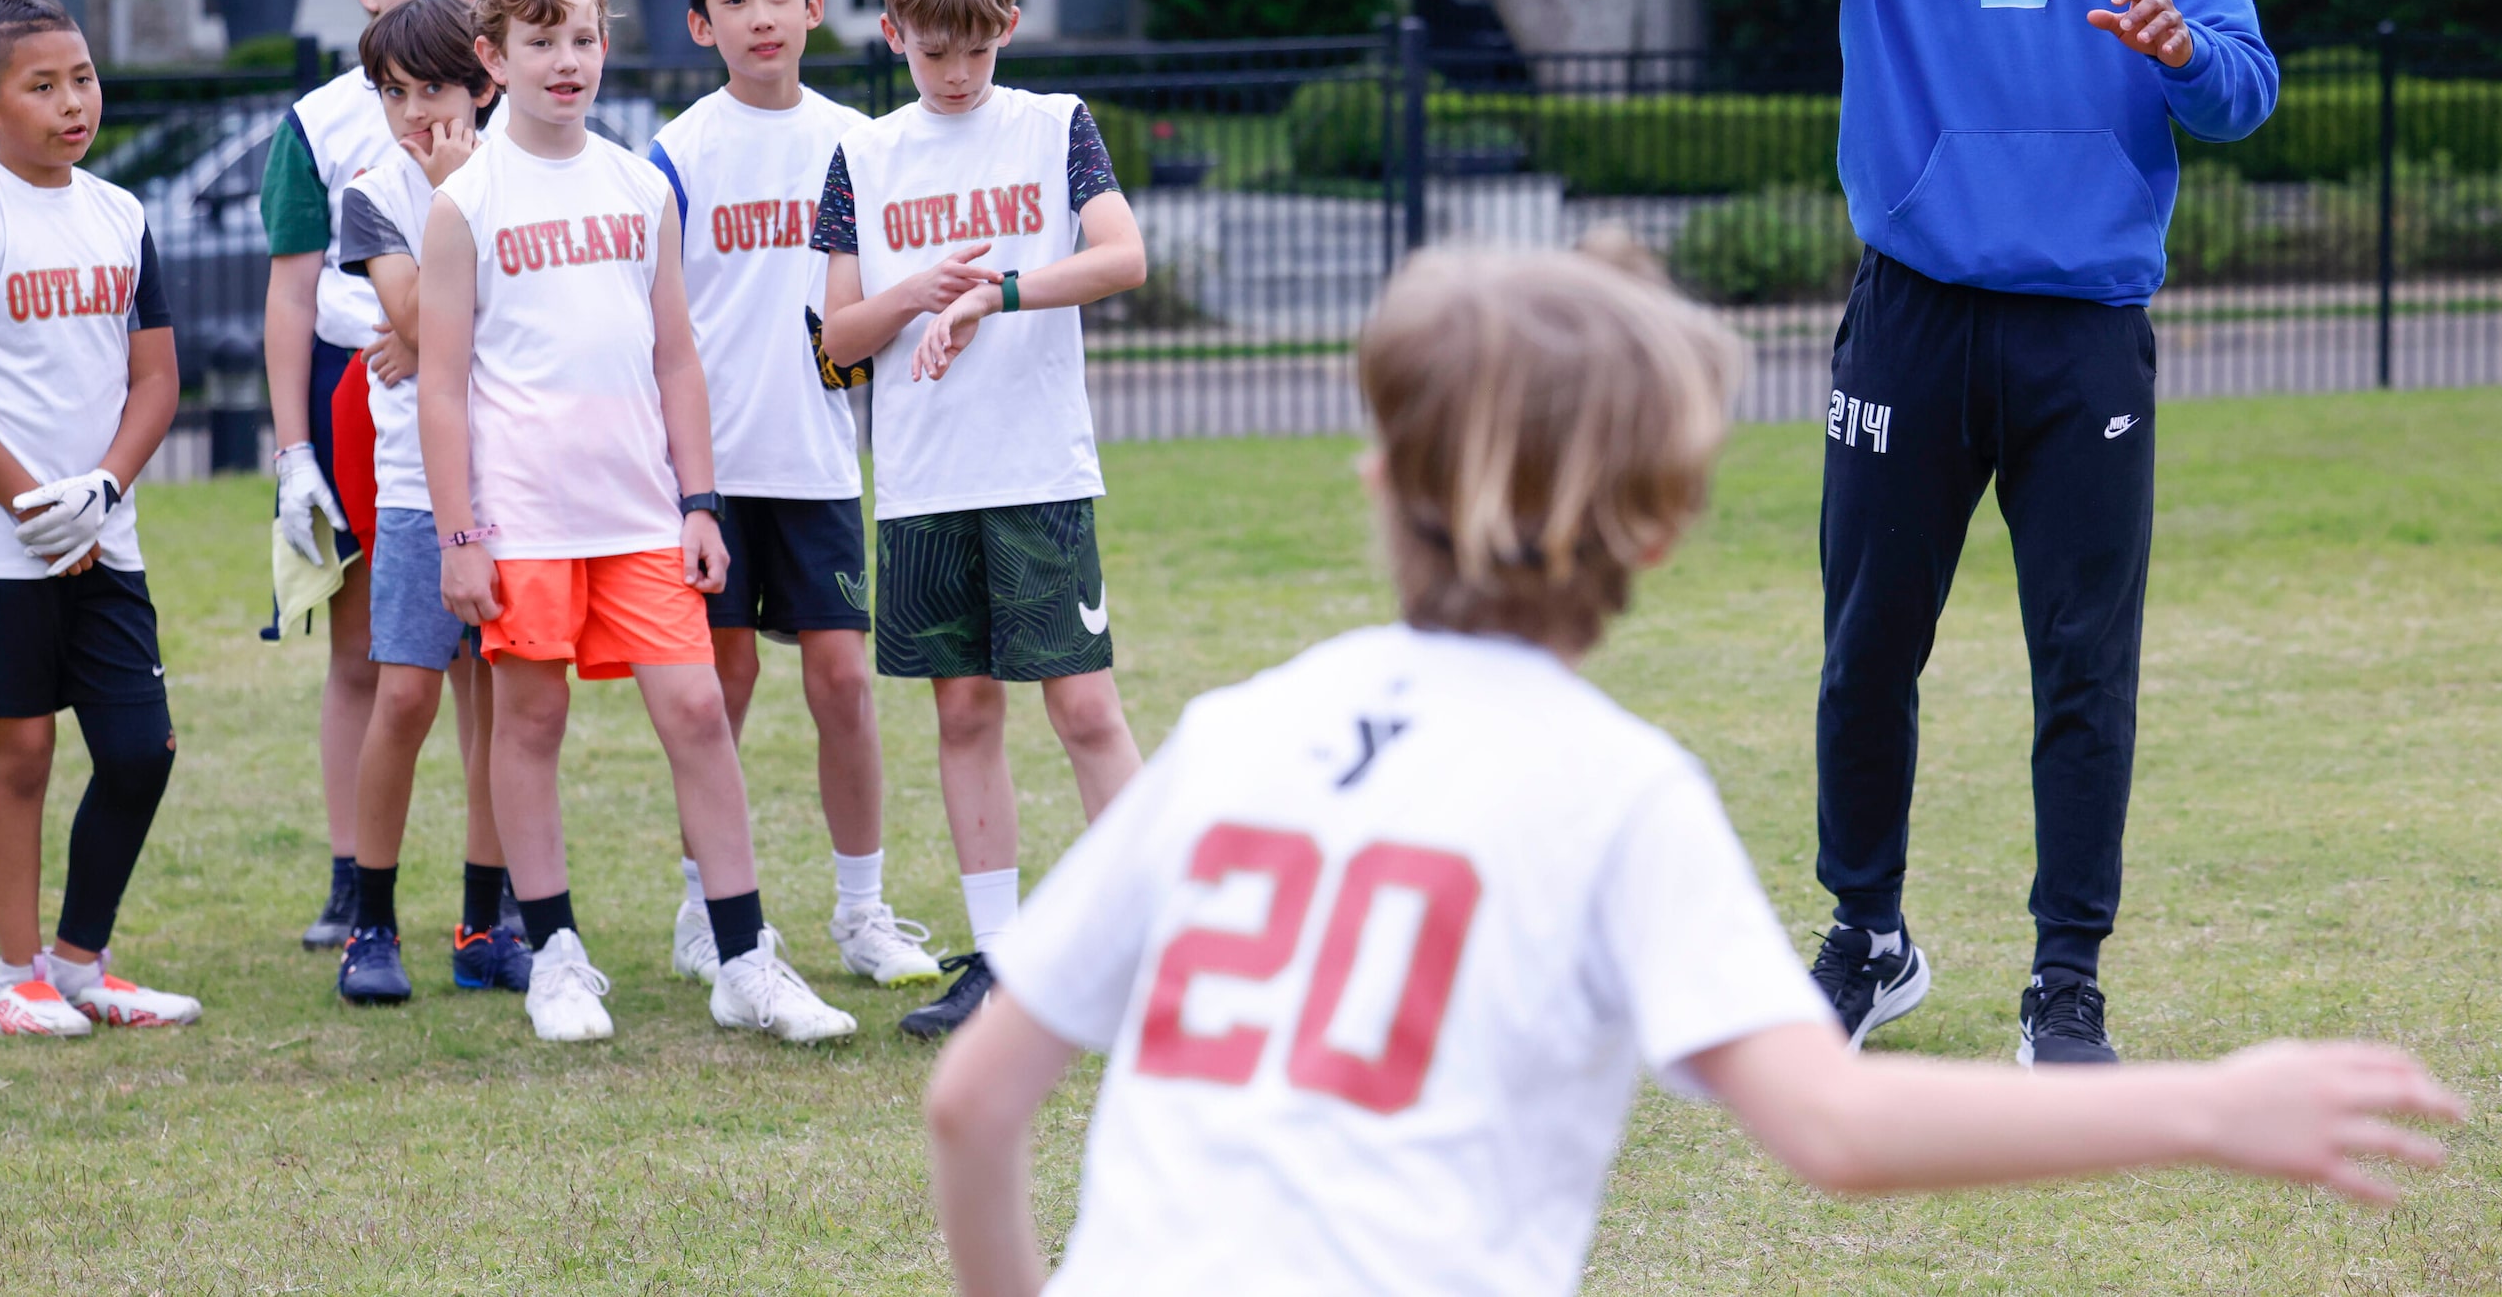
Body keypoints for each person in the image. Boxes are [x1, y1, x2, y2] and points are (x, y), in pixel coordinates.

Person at [924, 243, 2462, 1297]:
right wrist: (2204, 1107)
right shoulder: (1612, 791)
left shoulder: (1235, 733)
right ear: (1660, 529)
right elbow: (1836, 1127)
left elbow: (973, 1103)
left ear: (1380, 478)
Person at [1564, 0, 2279, 1062]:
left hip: (2081, 335)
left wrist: (2185, 54)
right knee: (1866, 645)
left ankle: (2064, 977)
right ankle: (1867, 933)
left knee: (2084, 661)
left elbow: (2244, 86)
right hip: (1912, 318)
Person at [416, 0, 856, 1045]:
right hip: (523, 519)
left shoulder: (637, 184)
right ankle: (556, 954)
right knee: (532, 718)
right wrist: (461, 535)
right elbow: (440, 385)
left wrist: (699, 503)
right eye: (539, 42)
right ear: (492, 59)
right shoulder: (466, 204)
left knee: (699, 712)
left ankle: (746, 958)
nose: (565, 63)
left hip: (642, 516)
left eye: (581, 40)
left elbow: (675, 359)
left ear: (604, 47)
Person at [816, 0, 1148, 1040]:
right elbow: (837, 342)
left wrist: (994, 291)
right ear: (891, 32)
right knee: (964, 713)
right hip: (922, 484)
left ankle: (1152, 947)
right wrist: (916, 295)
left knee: (1085, 708)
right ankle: (1000, 961)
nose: (956, 75)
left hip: (1039, 471)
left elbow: (1122, 257)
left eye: (976, 49)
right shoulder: (863, 154)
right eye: (932, 51)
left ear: (1008, 26)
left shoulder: (1055, 125)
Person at [646, 0, 943, 992]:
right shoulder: (673, 154)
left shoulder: (860, 145)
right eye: (735, 0)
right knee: (717, 685)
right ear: (699, 24)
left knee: (842, 683)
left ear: (816, 11)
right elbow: (654, 321)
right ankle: (704, 904)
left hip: (819, 464)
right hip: (711, 478)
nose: (760, 17)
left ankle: (862, 913)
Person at [0, 0, 199, 1038]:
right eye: (43, 86)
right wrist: (34, 505)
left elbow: (157, 380)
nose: (73, 102)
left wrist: (100, 493)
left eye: (82, 78)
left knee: (138, 751)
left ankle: (80, 964)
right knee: (19, 753)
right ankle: (14, 980)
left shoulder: (122, 214)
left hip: (104, 533)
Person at [257, 0, 508, 950]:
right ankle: (350, 877)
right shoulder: (324, 121)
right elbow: (290, 291)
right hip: (361, 390)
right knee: (368, 649)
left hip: (484, 386)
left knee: (485, 661)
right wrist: (292, 448)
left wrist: (432, 329)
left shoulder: (514, 116)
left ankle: (495, 897)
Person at [327, 0, 528, 1004]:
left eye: (436, 89)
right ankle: (369, 921)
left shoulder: (528, 173)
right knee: (404, 696)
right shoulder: (375, 191)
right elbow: (410, 308)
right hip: (415, 485)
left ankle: (486, 923)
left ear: (484, 82)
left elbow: (543, 308)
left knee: (498, 706)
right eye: (393, 92)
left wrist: (439, 317)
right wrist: (454, 221)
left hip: (523, 481)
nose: (414, 111)